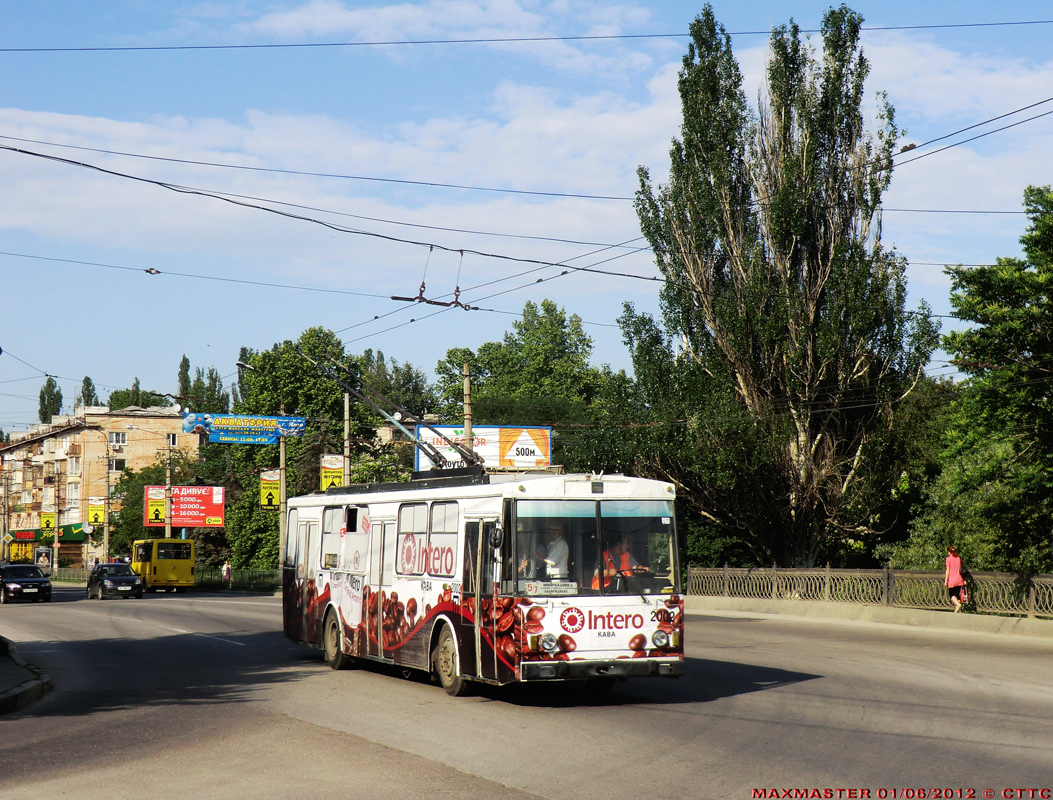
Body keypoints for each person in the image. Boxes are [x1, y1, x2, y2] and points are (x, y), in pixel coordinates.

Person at [944, 545, 967, 612]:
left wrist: (946, 580)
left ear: (949, 552)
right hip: (960, 579)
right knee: (957, 595)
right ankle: (957, 610)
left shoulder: (948, 559)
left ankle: (957, 604)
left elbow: (948, 570)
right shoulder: (958, 558)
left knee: (951, 595)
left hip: (952, 580)